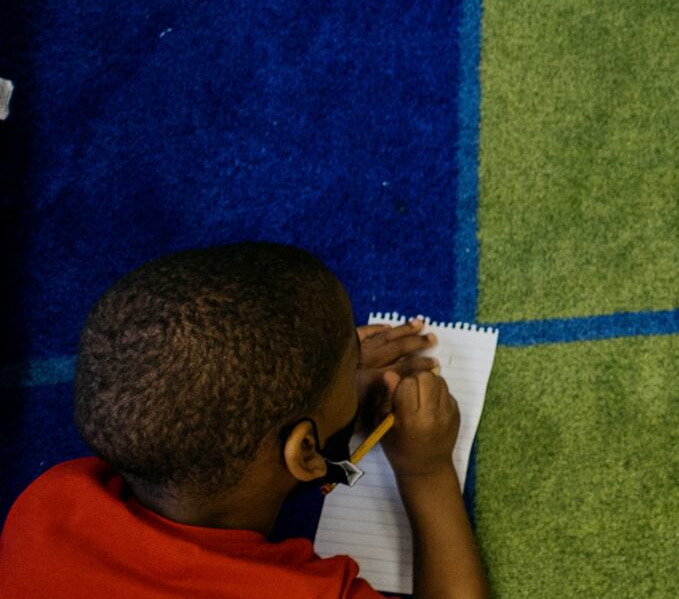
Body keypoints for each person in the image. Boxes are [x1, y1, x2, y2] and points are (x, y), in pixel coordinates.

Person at [0, 243, 489, 599]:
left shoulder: (44, 508)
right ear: (305, 454)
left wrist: (319, 385)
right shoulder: (307, 591)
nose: (359, 356)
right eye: (351, 359)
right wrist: (426, 473)